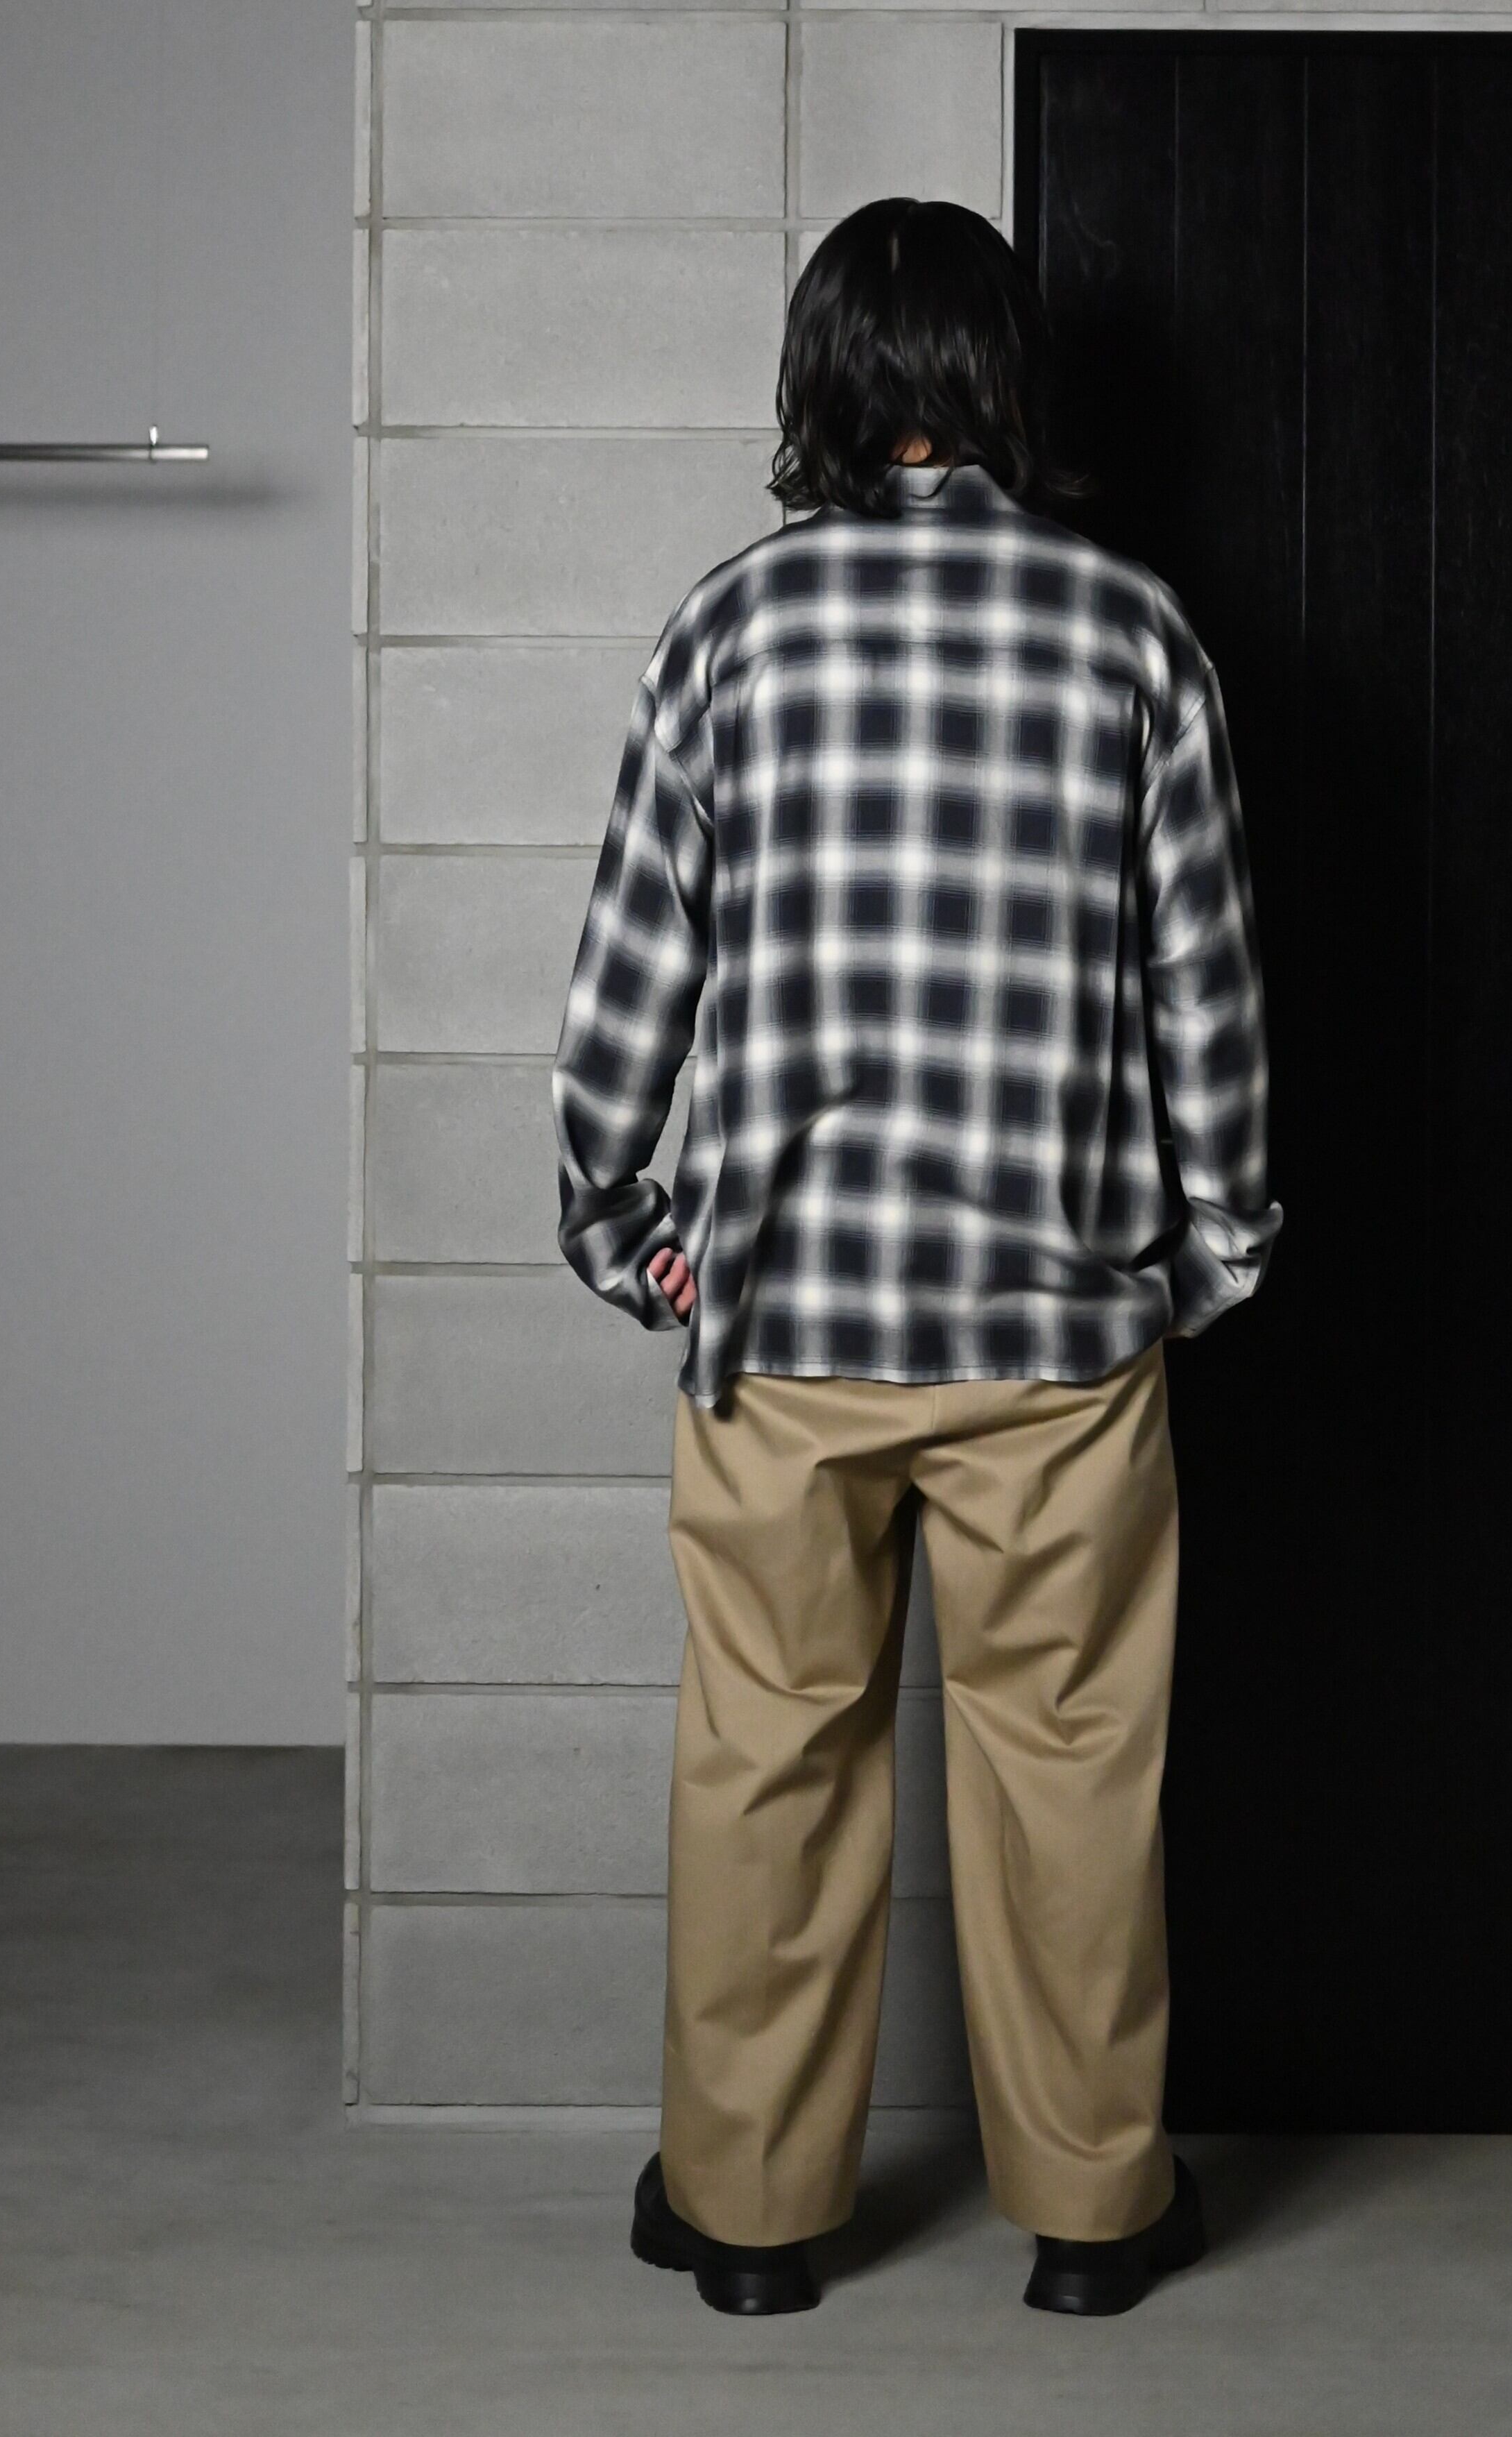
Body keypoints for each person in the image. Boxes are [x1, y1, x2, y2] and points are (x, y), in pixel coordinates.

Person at [551, 195, 1280, 2318]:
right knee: (1071, 1773)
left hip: (785, 1324)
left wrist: (626, 1228)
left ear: (824, 385)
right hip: (1055, 1328)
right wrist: (1209, 1249)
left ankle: (749, 2222)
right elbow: (1208, 988)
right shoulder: (1130, 631)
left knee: (769, 1760)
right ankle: (1094, 2221)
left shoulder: (731, 629)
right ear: (1004, 380)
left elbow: (631, 976)